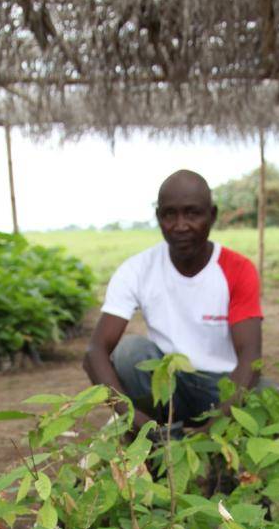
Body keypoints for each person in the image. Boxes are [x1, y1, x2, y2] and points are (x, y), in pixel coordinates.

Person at [82, 170, 263, 430]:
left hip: (223, 387)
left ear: (211, 215)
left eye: (192, 213)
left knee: (273, 398)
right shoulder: (138, 269)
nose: (180, 225)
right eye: (170, 214)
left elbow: (251, 358)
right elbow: (94, 352)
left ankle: (206, 438)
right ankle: (161, 435)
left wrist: (212, 430)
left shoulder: (237, 269)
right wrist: (132, 418)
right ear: (158, 217)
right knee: (131, 353)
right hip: (167, 388)